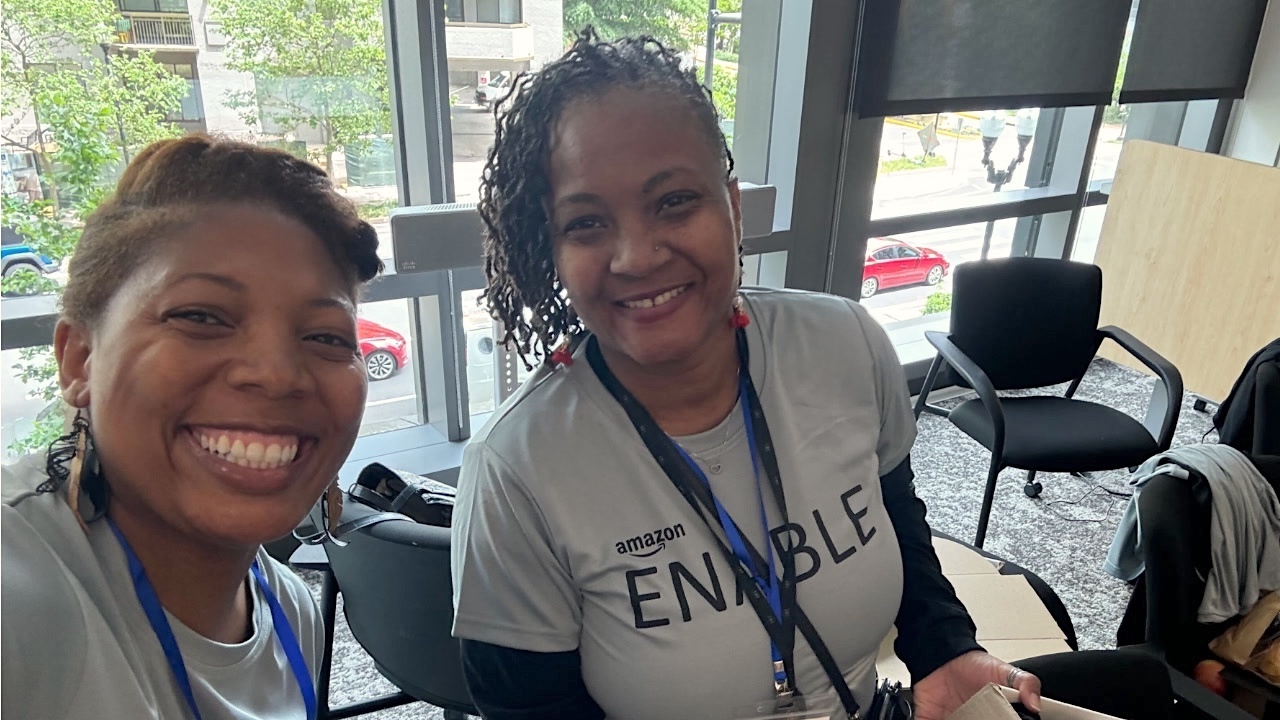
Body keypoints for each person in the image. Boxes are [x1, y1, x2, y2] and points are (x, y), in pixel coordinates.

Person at [451, 30, 1180, 720]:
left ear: (731, 211)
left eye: (674, 201)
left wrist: (945, 648)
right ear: (551, 250)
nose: (637, 255)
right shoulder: (518, 472)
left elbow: (900, 524)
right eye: (586, 223)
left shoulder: (844, 345)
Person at [2, 135, 382, 719]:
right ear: (79, 359)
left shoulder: (290, 609)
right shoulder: (20, 591)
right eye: (200, 317)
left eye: (327, 336)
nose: (278, 375)